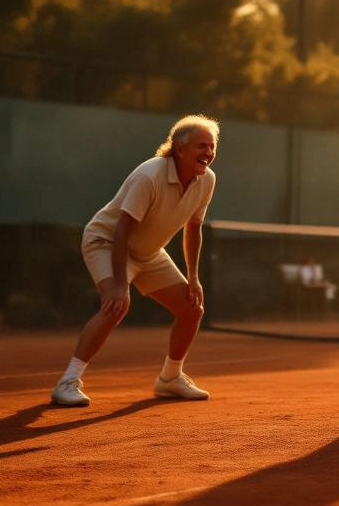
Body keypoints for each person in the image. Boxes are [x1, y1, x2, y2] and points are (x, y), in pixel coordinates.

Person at [49, 114, 220, 407]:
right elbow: (121, 230)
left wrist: (193, 277)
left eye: (212, 146)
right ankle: (68, 381)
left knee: (192, 308)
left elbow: (194, 228)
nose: (209, 153)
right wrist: (118, 284)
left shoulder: (206, 181)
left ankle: (169, 379)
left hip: (149, 252)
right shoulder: (149, 175)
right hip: (106, 242)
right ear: (180, 149)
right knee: (117, 304)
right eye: (201, 146)